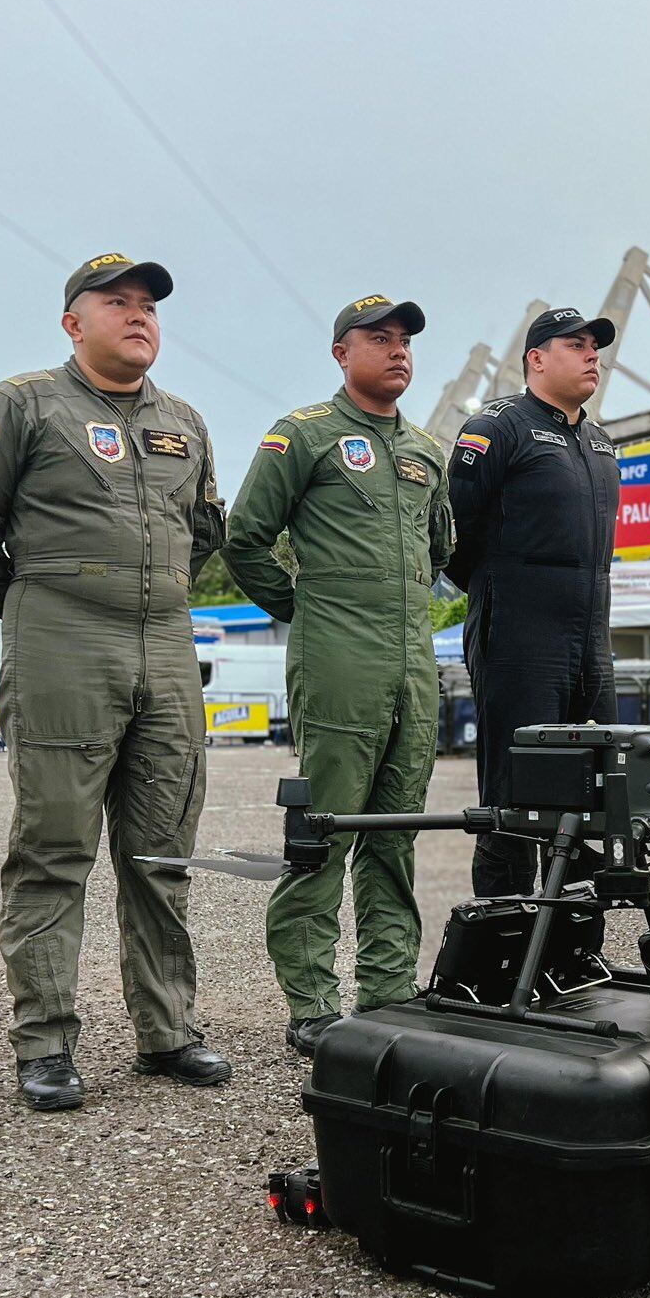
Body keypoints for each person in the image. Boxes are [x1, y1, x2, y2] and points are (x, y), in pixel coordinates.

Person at [0, 253, 230, 1110]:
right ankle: (45, 1044)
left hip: (166, 646)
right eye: (118, 303)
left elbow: (203, 533)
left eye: (149, 306)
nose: (139, 316)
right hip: (64, 643)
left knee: (162, 852)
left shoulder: (186, 421)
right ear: (74, 322)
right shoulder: (21, 405)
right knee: (53, 852)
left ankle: (168, 1029)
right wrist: (45, 604)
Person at [223, 295, 452, 1058]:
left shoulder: (425, 449)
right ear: (339, 352)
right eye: (378, 339)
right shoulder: (305, 436)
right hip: (338, 665)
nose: (397, 351)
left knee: (395, 840)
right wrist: (308, 609)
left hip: (412, 670)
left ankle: (387, 992)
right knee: (325, 837)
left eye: (405, 341)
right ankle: (312, 1002)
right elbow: (246, 538)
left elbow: (438, 550)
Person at [447, 307, 621, 897]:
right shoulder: (497, 426)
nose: (592, 353)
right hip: (520, 640)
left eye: (595, 345)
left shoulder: (601, 442)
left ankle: (572, 948)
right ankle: (503, 951)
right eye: (576, 344)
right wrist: (505, 596)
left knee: (596, 795)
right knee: (515, 800)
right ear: (536, 359)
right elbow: (452, 535)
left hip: (591, 643)